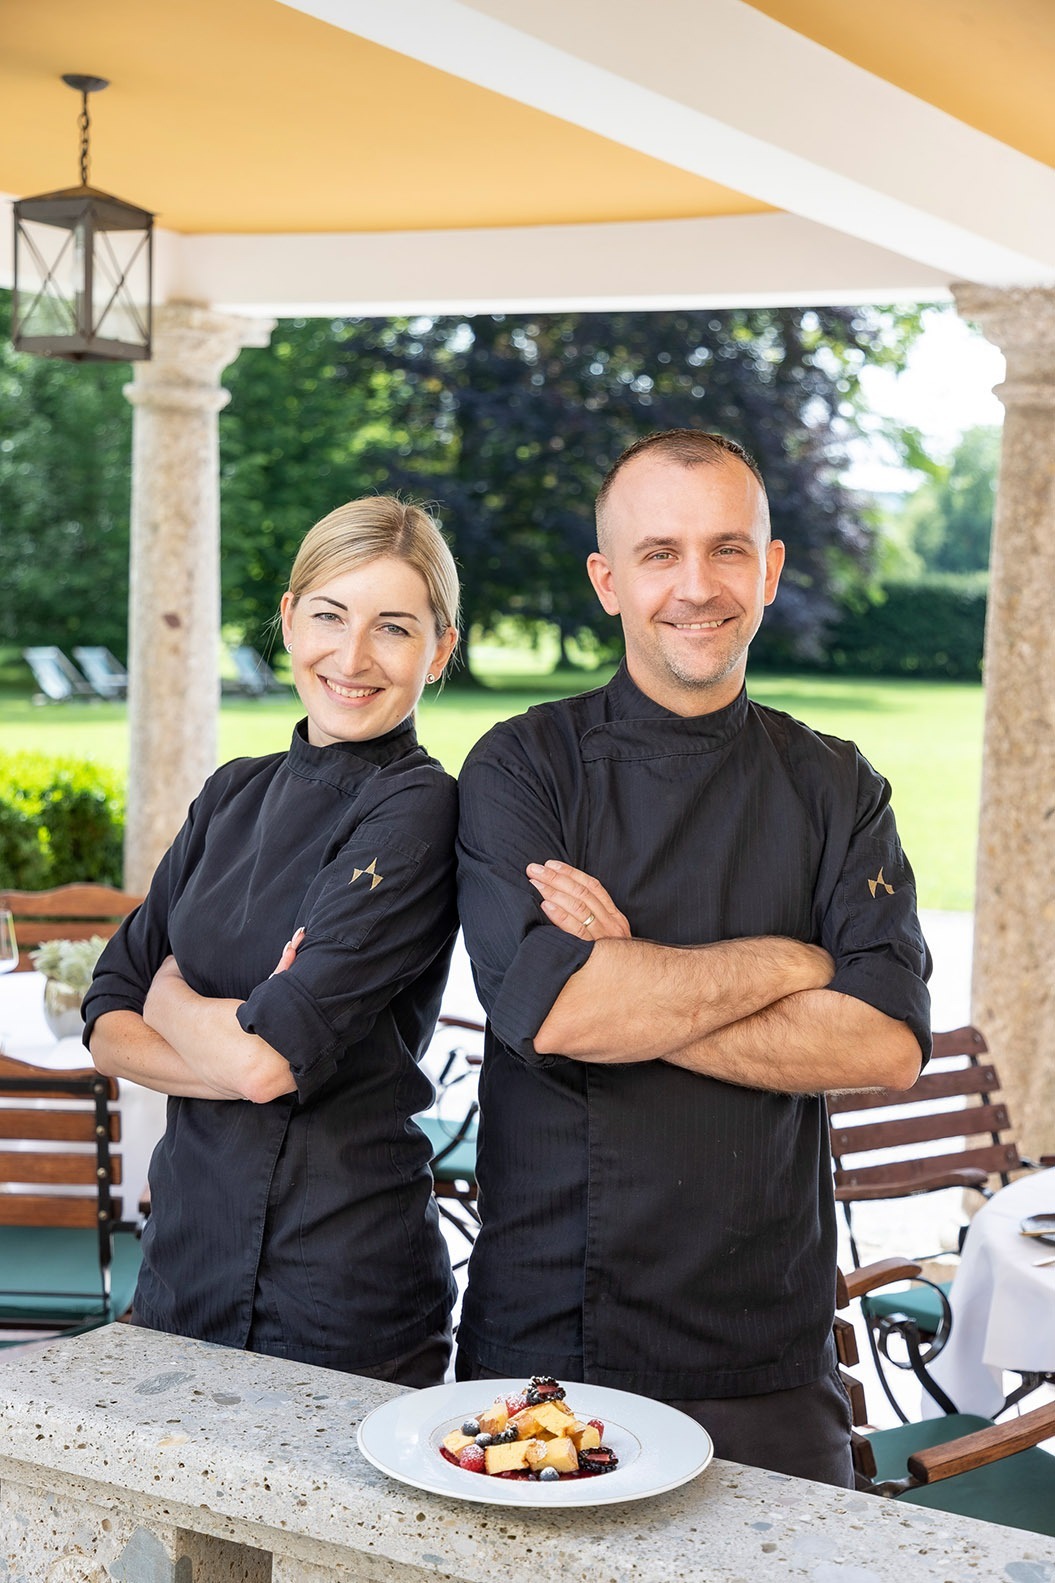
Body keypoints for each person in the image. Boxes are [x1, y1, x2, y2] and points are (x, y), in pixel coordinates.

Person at [455, 430, 931, 1484]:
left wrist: (635, 979)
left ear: (766, 570)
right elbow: (561, 1016)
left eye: (726, 549)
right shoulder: (521, 765)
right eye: (658, 551)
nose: (695, 585)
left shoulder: (836, 786)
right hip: (548, 1337)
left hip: (765, 1346)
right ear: (607, 580)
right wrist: (795, 959)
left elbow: (886, 1043)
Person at [84, 496, 461, 1386]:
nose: (352, 656)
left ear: (439, 651)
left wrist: (169, 996)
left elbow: (264, 1067)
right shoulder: (230, 793)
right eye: (328, 615)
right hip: (183, 1265)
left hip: (340, 1291)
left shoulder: (419, 808)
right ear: (289, 619)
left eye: (394, 628)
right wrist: (234, 1032)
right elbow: (104, 1017)